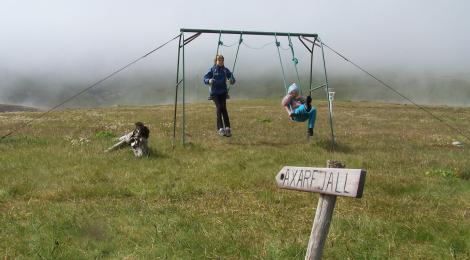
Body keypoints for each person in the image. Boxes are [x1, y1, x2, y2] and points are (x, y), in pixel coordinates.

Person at [203, 54, 236, 137]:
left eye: (222, 60)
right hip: (214, 93)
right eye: (219, 60)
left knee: (224, 108)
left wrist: (231, 80)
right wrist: (209, 80)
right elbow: (205, 78)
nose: (220, 61)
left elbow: (232, 79)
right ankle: (220, 128)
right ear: (216, 61)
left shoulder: (225, 70)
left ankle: (228, 128)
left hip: (223, 92)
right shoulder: (212, 70)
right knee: (219, 108)